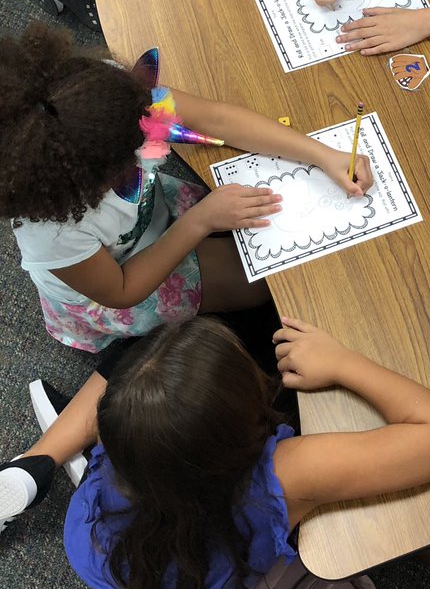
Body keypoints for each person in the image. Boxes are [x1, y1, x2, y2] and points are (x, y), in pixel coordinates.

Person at [0, 316, 430, 589]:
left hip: (99, 551)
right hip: (213, 574)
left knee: (137, 377)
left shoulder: (132, 447)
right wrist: (342, 361)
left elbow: (133, 400)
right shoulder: (287, 473)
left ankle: (35, 462)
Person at [0, 24, 373, 352]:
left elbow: (216, 119)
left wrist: (322, 154)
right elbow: (122, 290)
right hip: (119, 279)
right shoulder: (52, 234)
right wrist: (199, 222)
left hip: (153, 213)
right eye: (130, 157)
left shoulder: (110, 97)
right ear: (92, 179)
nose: (149, 142)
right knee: (270, 285)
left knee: (272, 244)